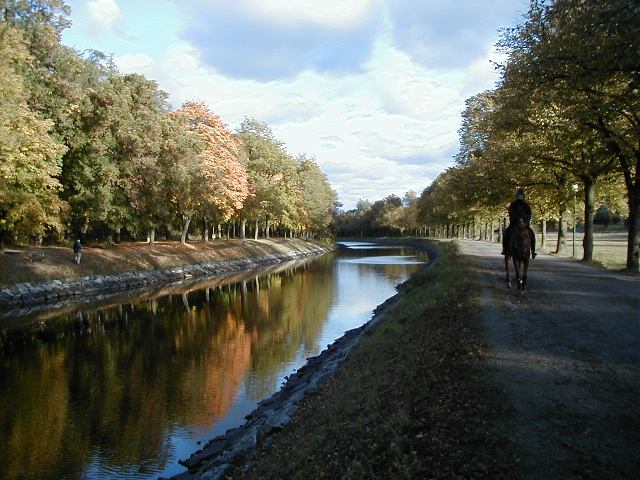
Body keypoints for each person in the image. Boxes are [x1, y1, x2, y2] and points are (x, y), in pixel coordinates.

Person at [502, 188, 537, 258]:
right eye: (519, 195)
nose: (520, 197)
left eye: (521, 195)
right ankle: (505, 250)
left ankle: (533, 251)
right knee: (506, 233)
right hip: (514, 223)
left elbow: (529, 214)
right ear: (516, 196)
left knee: (532, 235)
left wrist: (525, 221)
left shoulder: (526, 205)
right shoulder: (513, 205)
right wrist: (517, 219)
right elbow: (511, 213)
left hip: (524, 224)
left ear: (523, 196)